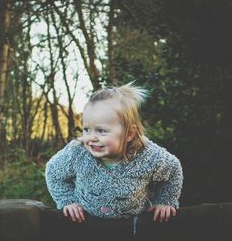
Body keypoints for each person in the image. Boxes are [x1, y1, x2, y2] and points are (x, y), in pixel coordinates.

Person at [45, 82, 183, 224]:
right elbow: (53, 172)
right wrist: (68, 200)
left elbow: (173, 170)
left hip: (134, 225)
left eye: (101, 131)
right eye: (86, 129)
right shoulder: (77, 152)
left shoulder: (148, 156)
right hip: (87, 222)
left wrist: (165, 200)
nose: (92, 137)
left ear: (129, 133)